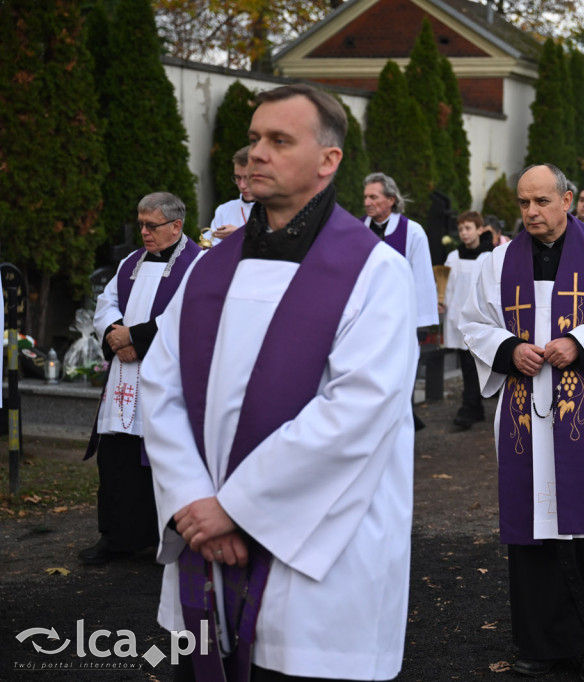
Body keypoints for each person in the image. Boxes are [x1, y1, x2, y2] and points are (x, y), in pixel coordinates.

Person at [140, 83, 418, 681]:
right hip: (205, 540)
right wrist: (194, 503)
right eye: (254, 139)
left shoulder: (376, 274)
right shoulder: (210, 268)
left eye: (279, 140)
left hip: (320, 563)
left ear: (328, 160)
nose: (257, 154)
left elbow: (356, 412)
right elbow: (160, 386)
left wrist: (235, 510)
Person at [460, 163, 584, 681]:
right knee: (532, 533)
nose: (531, 212)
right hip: (526, 413)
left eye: (542, 201)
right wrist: (509, 349)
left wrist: (582, 343)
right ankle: (540, 641)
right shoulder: (499, 260)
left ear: (568, 200)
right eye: (524, 203)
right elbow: (473, 321)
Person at [79, 192, 201, 566]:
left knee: (164, 458)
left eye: (152, 226)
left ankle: (173, 542)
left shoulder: (198, 264)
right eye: (142, 224)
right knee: (117, 459)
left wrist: (136, 337)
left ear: (176, 226)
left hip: (165, 377)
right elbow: (106, 303)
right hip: (123, 379)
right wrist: (116, 336)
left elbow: (192, 313)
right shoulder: (130, 262)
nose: (144, 232)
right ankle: (117, 538)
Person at [362, 172, 440, 329]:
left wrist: (421, 323)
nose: (367, 202)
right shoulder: (357, 230)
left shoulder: (412, 232)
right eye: (365, 197)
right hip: (363, 317)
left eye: (373, 197)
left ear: (391, 200)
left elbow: (422, 277)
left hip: (399, 318)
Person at [443, 210, 492, 429]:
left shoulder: (488, 257)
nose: (464, 233)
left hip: (479, 317)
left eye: (468, 228)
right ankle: (475, 407)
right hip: (456, 315)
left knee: (473, 364)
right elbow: (447, 285)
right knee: (466, 364)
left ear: (480, 230)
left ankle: (468, 407)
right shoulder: (453, 256)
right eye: (461, 229)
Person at [209, 146, 255, 245]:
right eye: (238, 178)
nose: (242, 186)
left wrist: (240, 234)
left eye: (247, 178)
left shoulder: (279, 210)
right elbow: (210, 247)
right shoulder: (224, 210)